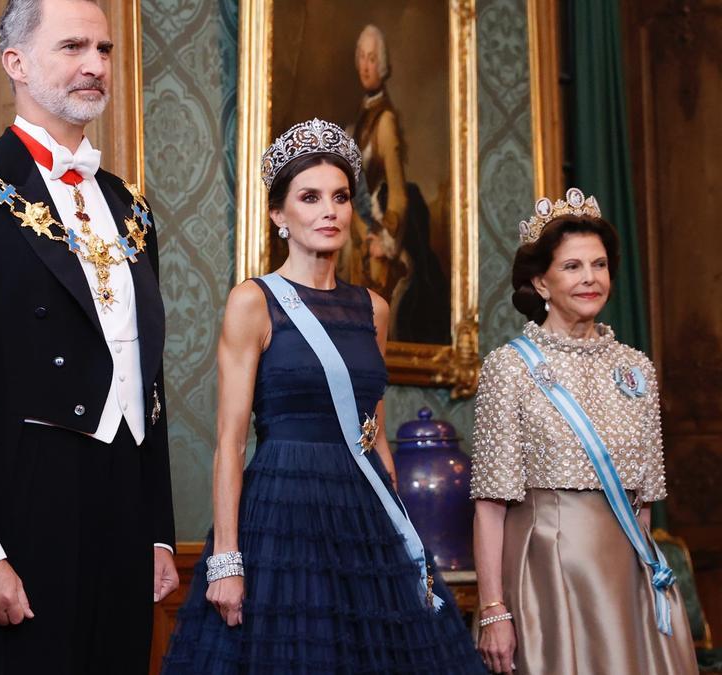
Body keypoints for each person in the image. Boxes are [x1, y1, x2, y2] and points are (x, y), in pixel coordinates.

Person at [0, 0, 177, 672]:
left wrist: (158, 532)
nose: (94, 66)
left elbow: (148, 380)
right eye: (73, 47)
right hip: (22, 508)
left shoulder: (130, 209)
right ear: (14, 63)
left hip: (121, 506)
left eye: (104, 50)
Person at [161, 118, 483, 674]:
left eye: (340, 197)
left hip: (363, 514)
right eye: (309, 198)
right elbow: (230, 443)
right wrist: (226, 561)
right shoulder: (253, 302)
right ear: (278, 215)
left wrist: (398, 534)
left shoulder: (373, 310)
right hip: (281, 514)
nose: (329, 211)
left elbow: (374, 433)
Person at [470, 188, 697, 674]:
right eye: (572, 267)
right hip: (548, 575)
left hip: (629, 578)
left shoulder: (637, 368)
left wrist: (645, 586)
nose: (590, 278)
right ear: (541, 281)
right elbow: (490, 507)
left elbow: (643, 500)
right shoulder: (509, 368)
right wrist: (494, 610)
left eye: (599, 265)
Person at [348, 24, 450, 344]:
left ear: (383, 65)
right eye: (362, 58)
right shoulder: (362, 119)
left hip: (378, 233)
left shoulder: (385, 121)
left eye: (372, 59)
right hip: (358, 228)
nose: (366, 66)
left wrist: (385, 240)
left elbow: (398, 192)